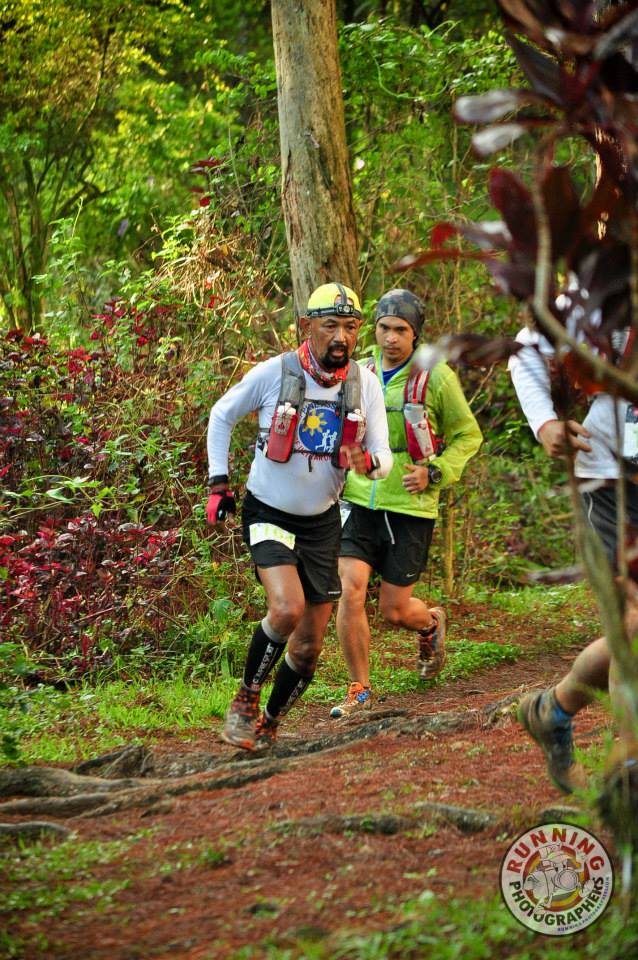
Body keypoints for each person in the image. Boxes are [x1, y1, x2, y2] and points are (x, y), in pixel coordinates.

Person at [207, 282, 392, 751]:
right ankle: (245, 701)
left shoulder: (363, 384)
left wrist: (369, 464)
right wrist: (218, 483)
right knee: (286, 608)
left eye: (350, 327)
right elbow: (221, 415)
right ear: (306, 326)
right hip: (268, 509)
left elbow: (382, 454)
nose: (341, 337)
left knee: (308, 648)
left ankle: (269, 723)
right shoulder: (275, 373)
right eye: (330, 325)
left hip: (324, 522)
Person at [330, 289, 482, 719]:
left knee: (394, 611)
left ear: (415, 335)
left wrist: (435, 472)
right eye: (383, 328)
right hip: (359, 499)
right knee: (350, 589)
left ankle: (430, 623)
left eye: (401, 330)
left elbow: (468, 436)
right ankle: (359, 689)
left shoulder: (436, 377)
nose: (391, 337)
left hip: (410, 506)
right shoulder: (356, 372)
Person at [509, 323, 638, 793]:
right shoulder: (606, 288)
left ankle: (553, 710)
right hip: (612, 480)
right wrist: (545, 422)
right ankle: (629, 773)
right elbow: (525, 350)